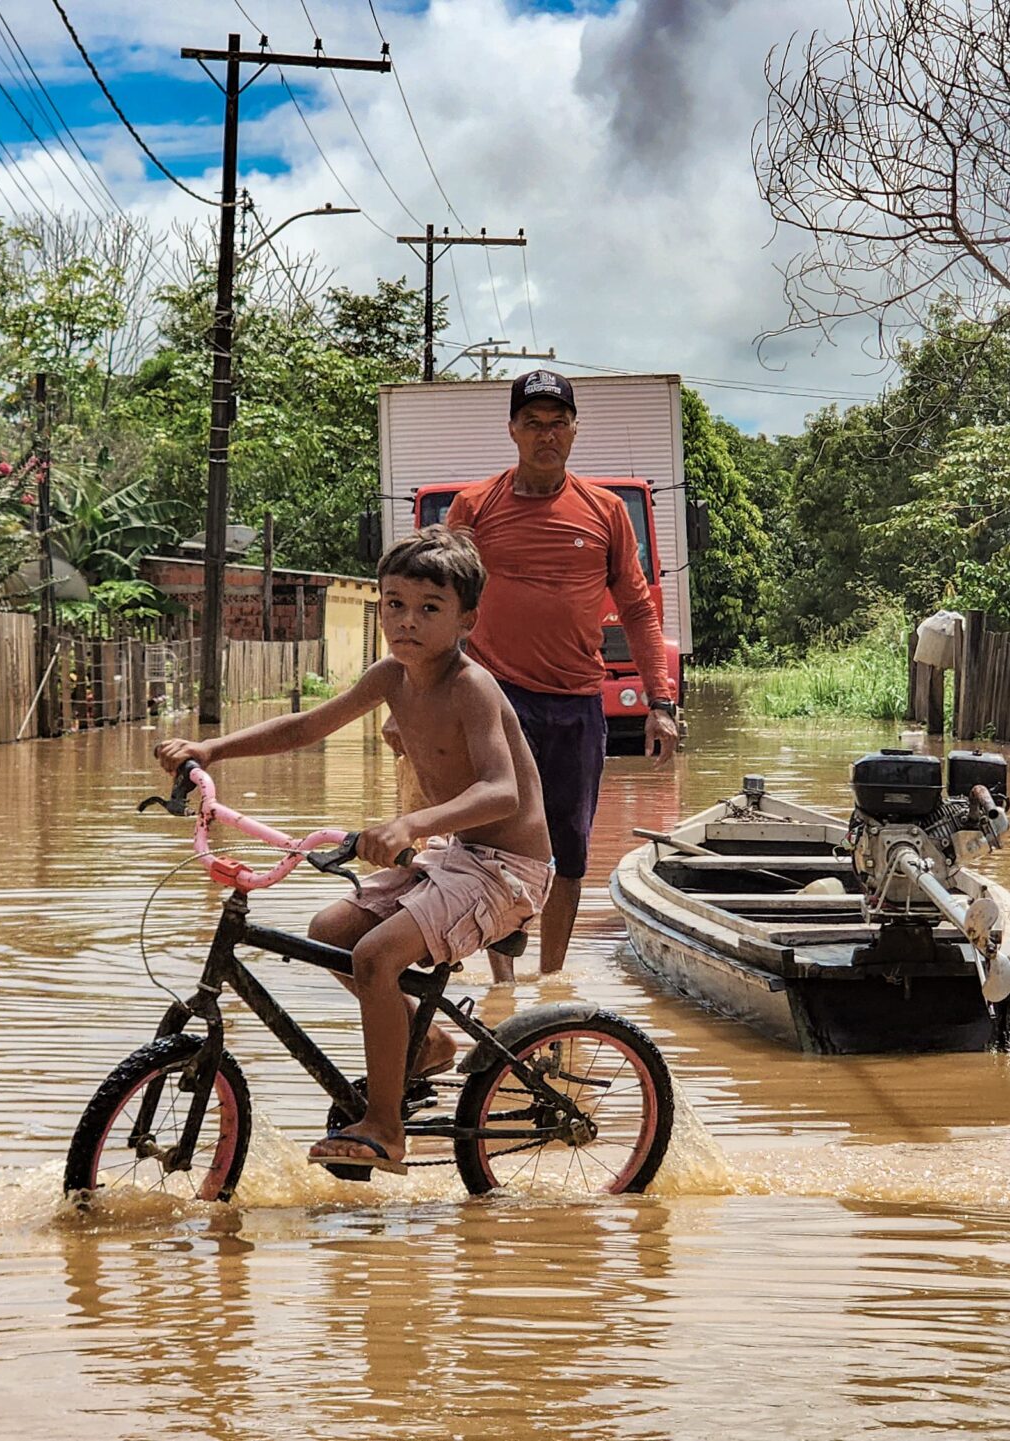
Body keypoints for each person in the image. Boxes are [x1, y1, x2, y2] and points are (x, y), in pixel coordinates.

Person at [153, 525, 553, 1176]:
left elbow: (502, 791)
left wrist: (409, 824)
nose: (407, 620)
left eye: (429, 607)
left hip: (507, 870)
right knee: (330, 929)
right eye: (393, 603)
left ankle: (387, 1129)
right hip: (456, 856)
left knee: (374, 957)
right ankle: (426, 1045)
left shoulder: (469, 685)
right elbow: (307, 725)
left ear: (466, 621)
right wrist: (212, 749)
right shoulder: (391, 676)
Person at [443, 369, 679, 980]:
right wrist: (417, 699)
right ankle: (503, 989)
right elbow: (441, 600)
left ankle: (550, 984)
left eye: (558, 423)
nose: (546, 435)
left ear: (574, 431)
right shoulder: (475, 507)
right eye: (533, 423)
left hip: (577, 703)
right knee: (490, 843)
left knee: (569, 849)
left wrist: (661, 701)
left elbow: (637, 608)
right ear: (513, 430)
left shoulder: (604, 511)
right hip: (494, 698)